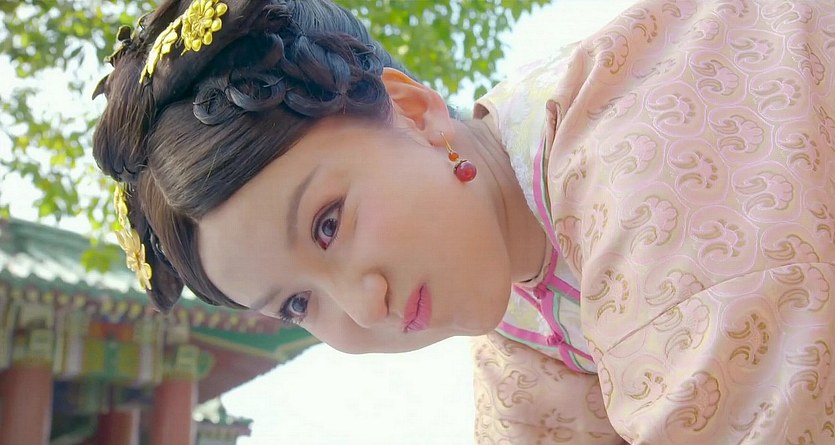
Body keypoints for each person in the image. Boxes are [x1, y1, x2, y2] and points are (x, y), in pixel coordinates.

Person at [92, 0, 835, 443]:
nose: (364, 305)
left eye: (327, 225)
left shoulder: (633, 148)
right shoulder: (512, 304)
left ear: (415, 113)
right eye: (296, 303)